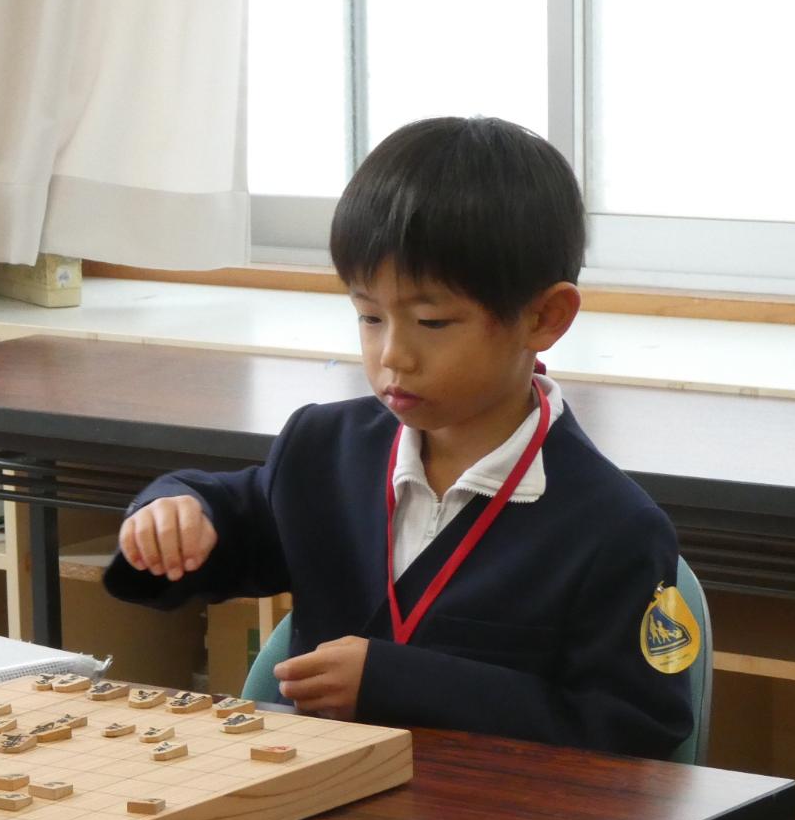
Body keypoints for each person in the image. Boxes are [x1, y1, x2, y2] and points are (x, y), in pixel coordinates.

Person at [104, 116, 694, 759]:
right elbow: (234, 513)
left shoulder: (612, 528)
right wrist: (175, 512)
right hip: (319, 819)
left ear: (544, 318)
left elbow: (634, 736)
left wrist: (399, 684)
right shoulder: (325, 448)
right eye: (369, 316)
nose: (393, 356)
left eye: (432, 322)